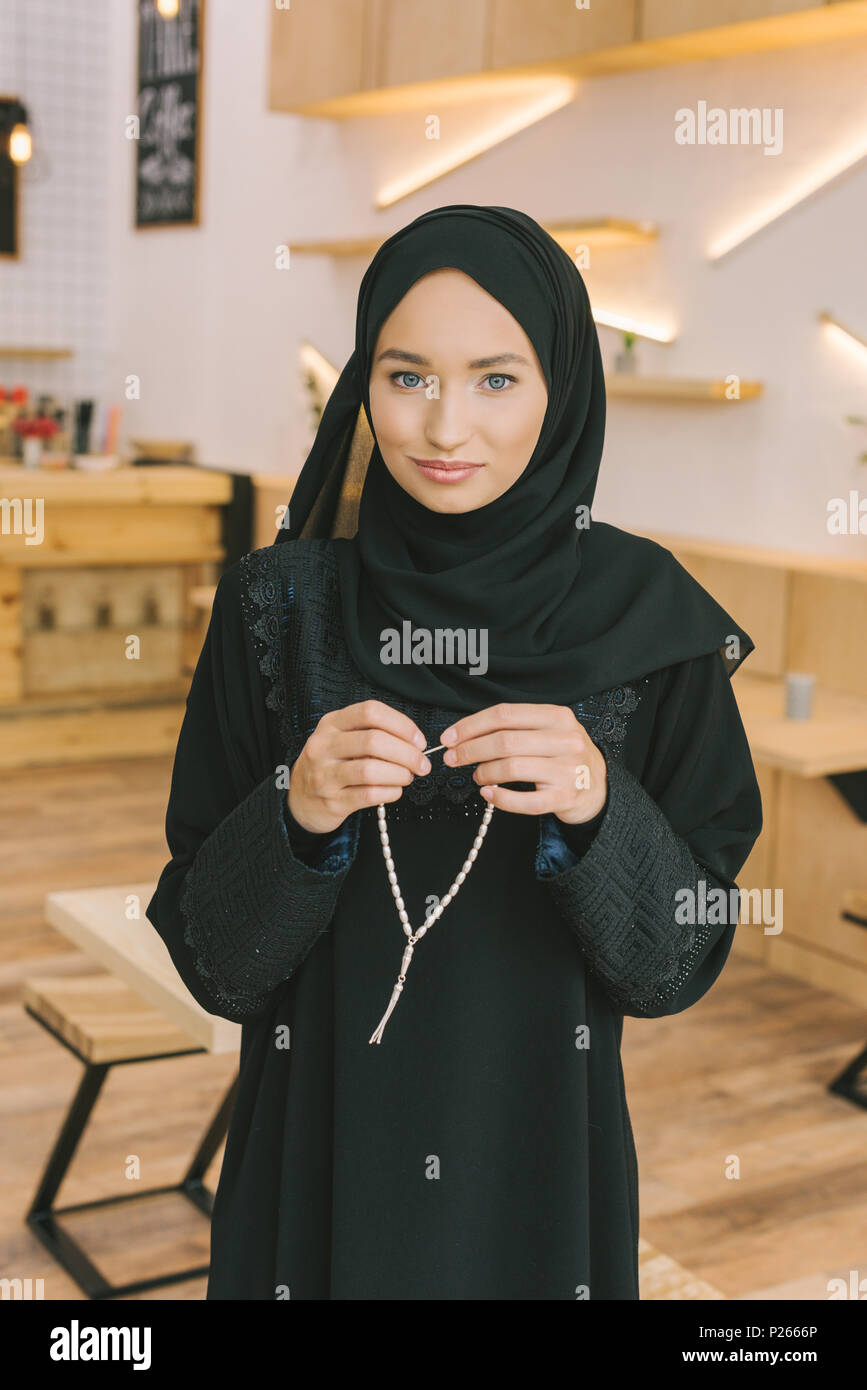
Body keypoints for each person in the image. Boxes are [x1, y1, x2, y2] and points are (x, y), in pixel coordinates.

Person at [146, 204, 762, 1301]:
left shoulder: (652, 622)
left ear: (561, 388)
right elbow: (212, 960)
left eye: (495, 378)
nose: (442, 427)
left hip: (537, 1179)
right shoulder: (274, 612)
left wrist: (597, 805)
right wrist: (297, 815)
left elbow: (679, 961)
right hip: (314, 1163)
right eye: (406, 374)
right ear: (362, 385)